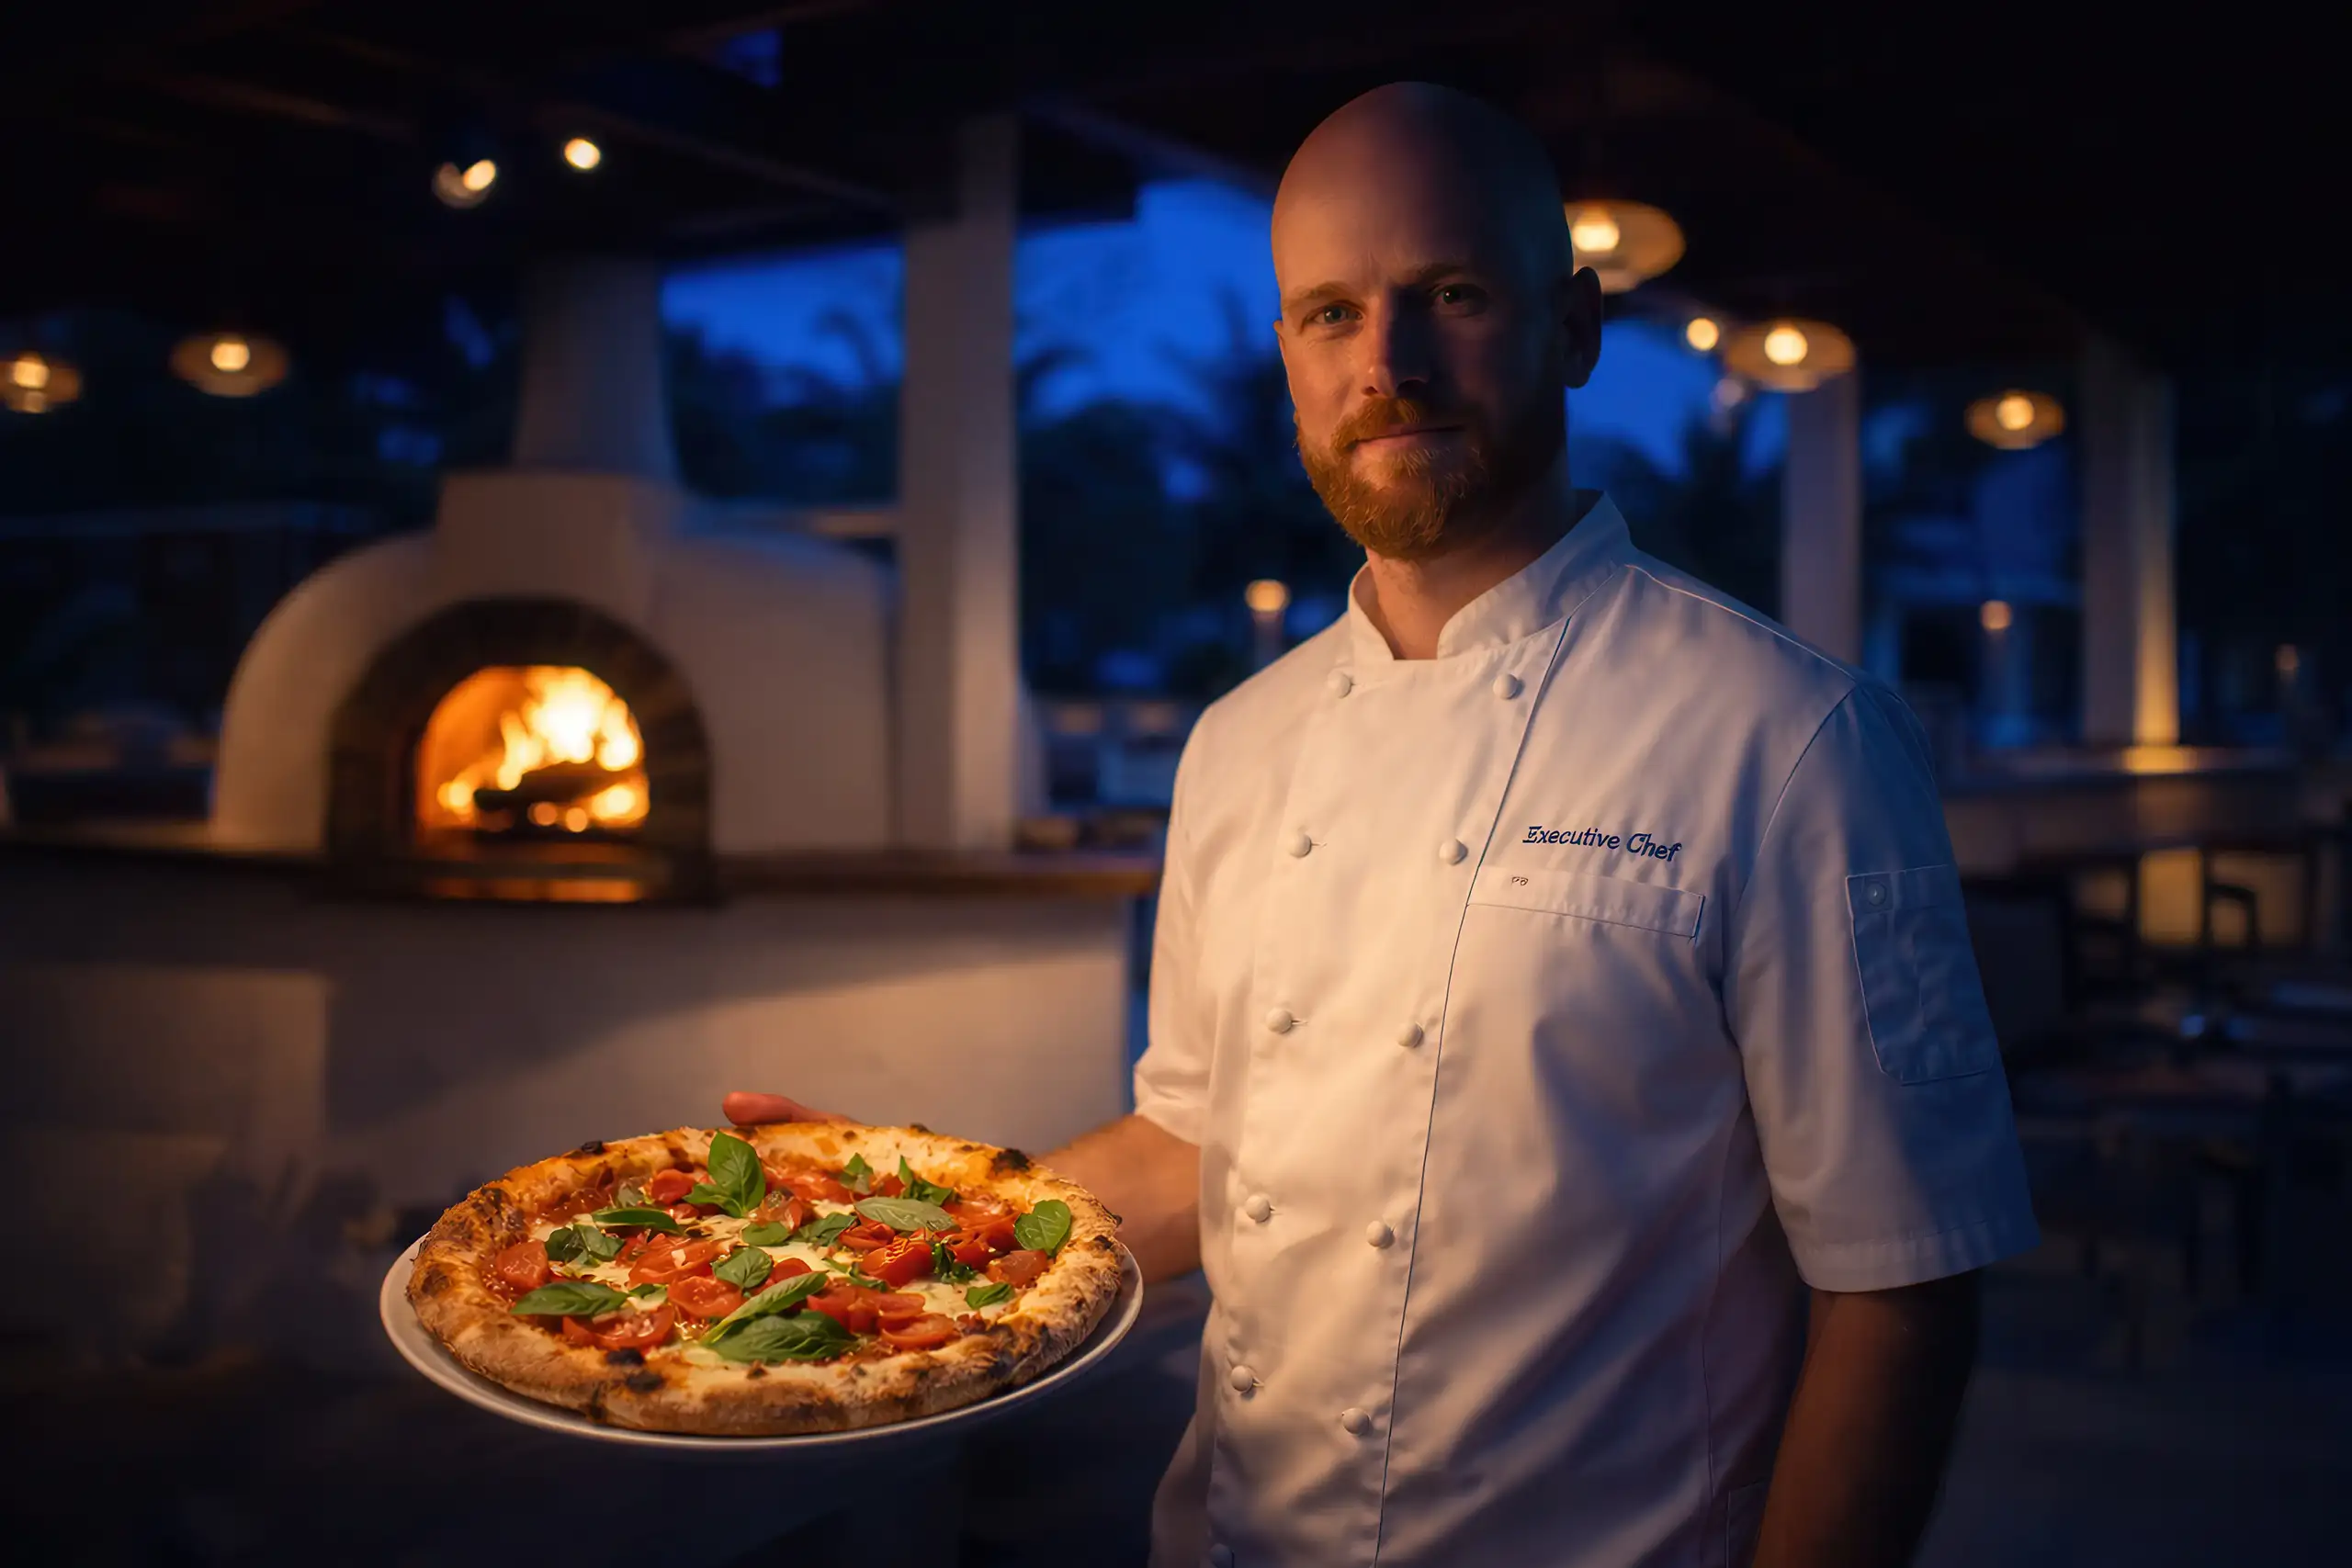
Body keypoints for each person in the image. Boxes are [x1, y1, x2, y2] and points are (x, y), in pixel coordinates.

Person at [729, 80, 2038, 1568]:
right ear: (1286, 353)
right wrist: (909, 1204)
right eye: (1330, 313)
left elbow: (1900, 1288)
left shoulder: (1790, 738)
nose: (1389, 363)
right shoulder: (1238, 743)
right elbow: (1195, 1149)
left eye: (1453, 295)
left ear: (1576, 328)